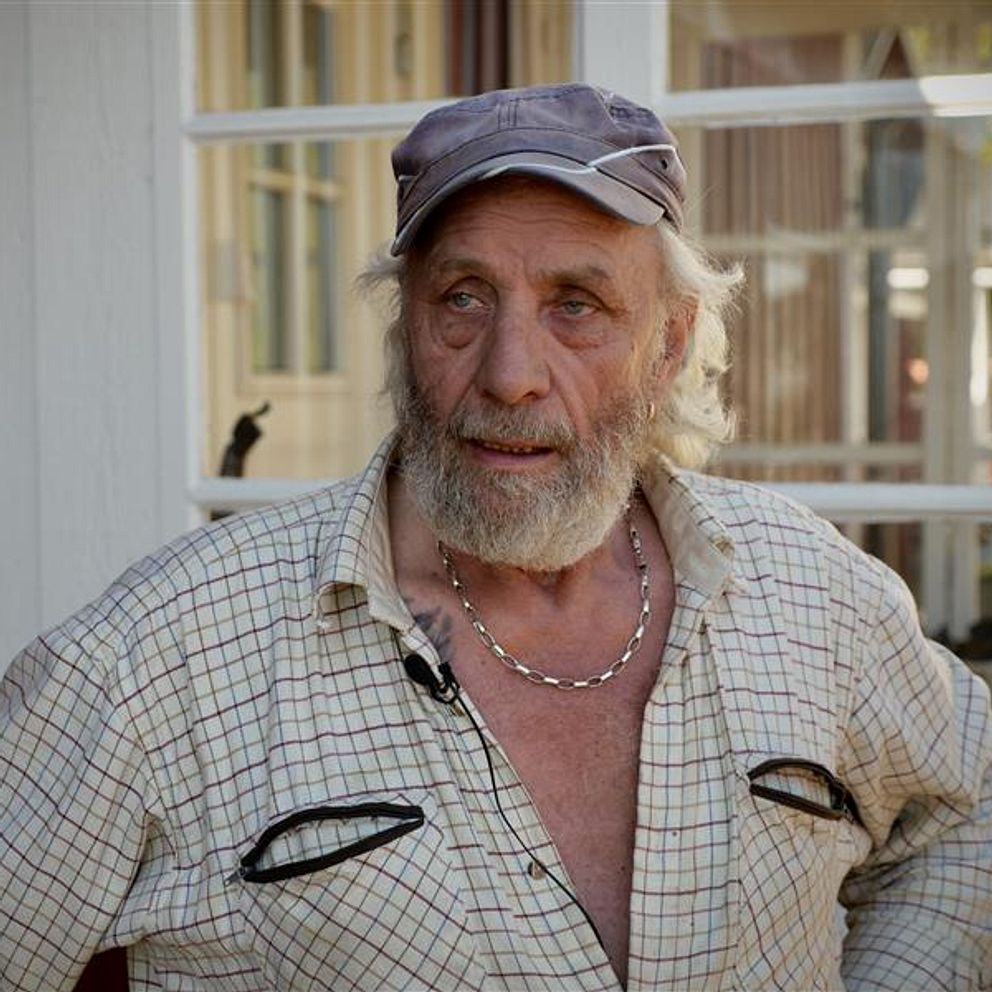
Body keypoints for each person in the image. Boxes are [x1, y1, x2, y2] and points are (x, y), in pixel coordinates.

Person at [2, 83, 990, 992]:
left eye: (576, 305)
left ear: (669, 343)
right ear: (405, 330)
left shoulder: (810, 589)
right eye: (463, 298)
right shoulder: (160, 657)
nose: (511, 372)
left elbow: (967, 806)